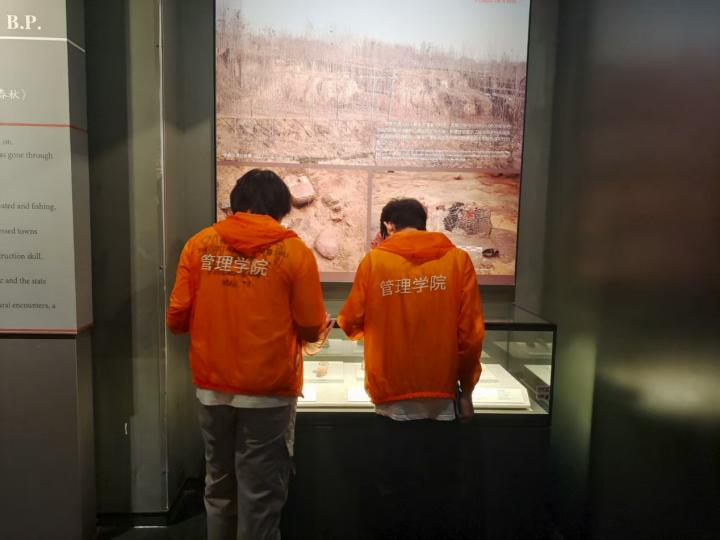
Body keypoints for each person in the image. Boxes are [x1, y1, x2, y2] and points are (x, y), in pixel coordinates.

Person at [166, 169, 327, 540]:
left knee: (218, 484)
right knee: (261, 491)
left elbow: (176, 318)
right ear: (281, 207)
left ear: (236, 202)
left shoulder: (199, 245)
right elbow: (309, 325)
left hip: (212, 386)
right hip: (269, 390)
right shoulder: (294, 252)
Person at [338, 198, 485, 539]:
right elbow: (471, 334)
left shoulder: (375, 261)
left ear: (389, 225)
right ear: (422, 223)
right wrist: (466, 391)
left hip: (391, 398)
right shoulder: (457, 260)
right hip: (441, 398)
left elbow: (350, 323)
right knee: (439, 493)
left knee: (391, 493)